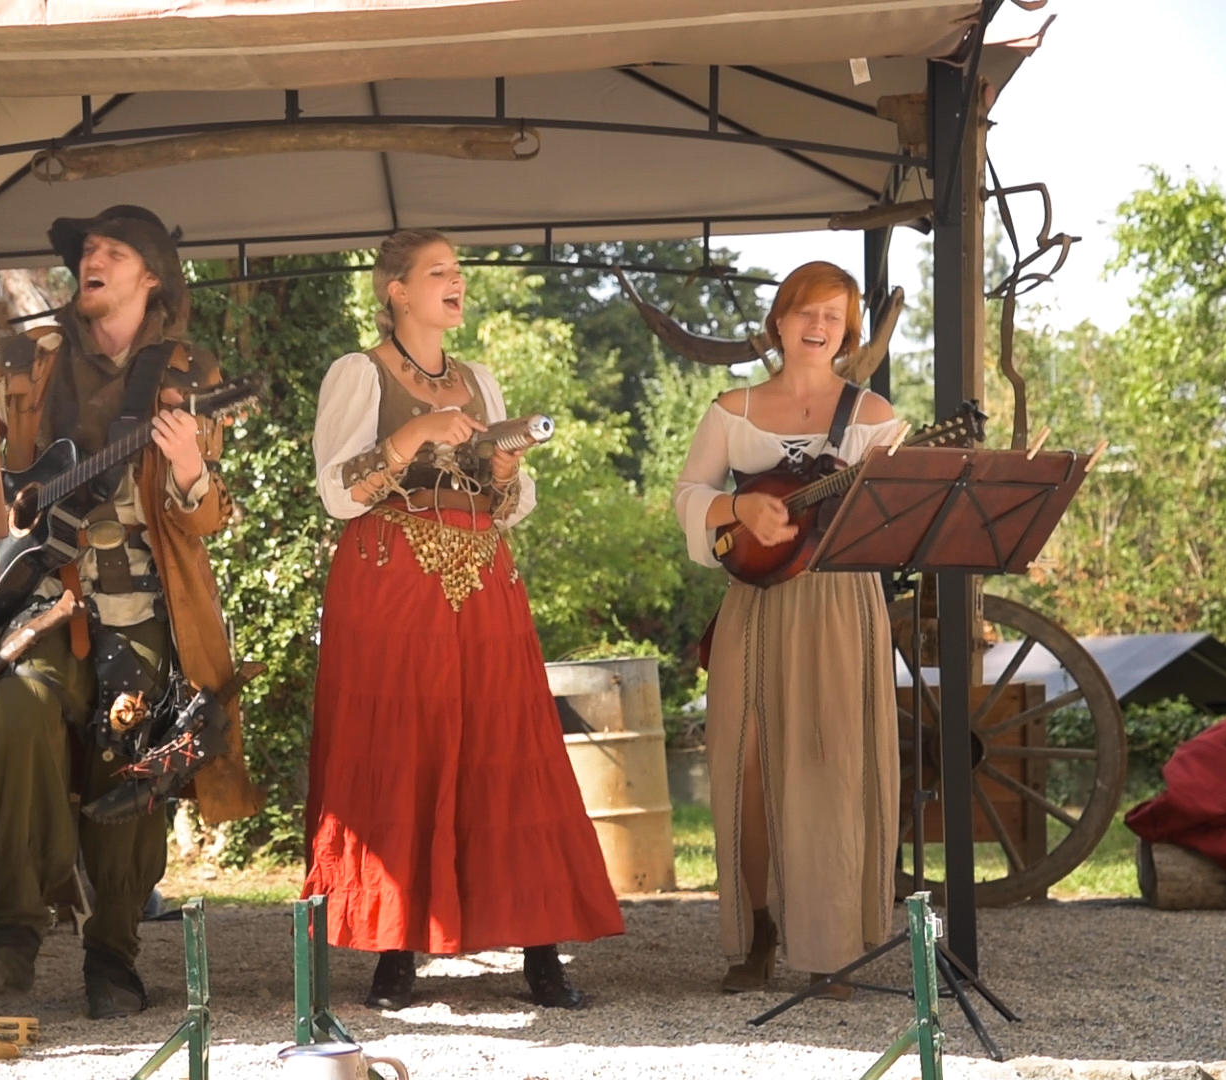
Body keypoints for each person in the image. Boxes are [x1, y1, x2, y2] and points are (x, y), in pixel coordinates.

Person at [0, 204, 261, 1020]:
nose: (92, 259)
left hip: (147, 603)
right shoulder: (28, 364)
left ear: (152, 277)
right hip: (43, 595)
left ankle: (112, 952)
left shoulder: (188, 374)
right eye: (87, 251)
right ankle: (11, 935)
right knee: (21, 711)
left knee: (135, 748)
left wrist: (187, 470)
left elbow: (210, 517)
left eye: (112, 250)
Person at [304, 229, 624, 1011]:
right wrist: (412, 433)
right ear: (397, 292)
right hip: (389, 585)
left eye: (459, 271)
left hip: (483, 579)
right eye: (438, 271)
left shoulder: (479, 379)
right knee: (402, 750)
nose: (456, 282)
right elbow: (337, 492)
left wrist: (508, 471)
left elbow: (510, 506)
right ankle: (393, 953)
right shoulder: (358, 373)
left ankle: (540, 951)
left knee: (510, 749)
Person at [671, 260, 903, 998]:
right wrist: (736, 512)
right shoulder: (732, 410)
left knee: (831, 765)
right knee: (747, 765)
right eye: (806, 312)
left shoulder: (874, 419)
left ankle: (830, 945)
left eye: (834, 318)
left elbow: (894, 524)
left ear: (849, 331)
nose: (817, 327)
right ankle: (758, 931)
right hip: (755, 605)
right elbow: (689, 495)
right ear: (779, 320)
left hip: (840, 604)